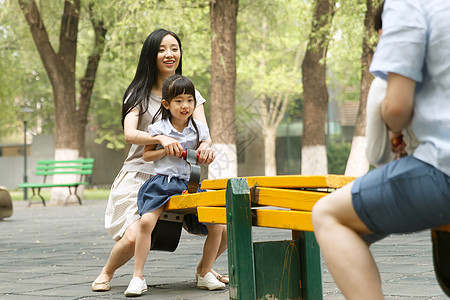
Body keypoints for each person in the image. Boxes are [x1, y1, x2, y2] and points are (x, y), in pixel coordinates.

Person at [312, 1, 450, 299]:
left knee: (328, 214)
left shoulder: (408, 5)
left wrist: (394, 124)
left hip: (444, 169)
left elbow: (398, 106)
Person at [92, 29, 228, 292]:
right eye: (162, 49)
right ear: (150, 55)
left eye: (174, 48)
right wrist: (163, 140)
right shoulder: (138, 93)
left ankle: (204, 269)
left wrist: (206, 148)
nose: (169, 54)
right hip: (139, 173)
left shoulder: (191, 93)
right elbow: (130, 134)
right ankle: (107, 272)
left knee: (224, 227)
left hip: (180, 174)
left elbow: (203, 136)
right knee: (133, 236)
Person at [124, 74, 226, 296]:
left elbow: (204, 147)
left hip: (190, 184)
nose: (185, 106)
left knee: (218, 225)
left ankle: (204, 272)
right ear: (166, 104)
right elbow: (148, 157)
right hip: (162, 184)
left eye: (189, 100)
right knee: (145, 223)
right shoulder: (158, 128)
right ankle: (137, 277)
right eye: (178, 101)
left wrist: (206, 152)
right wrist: (165, 149)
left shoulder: (198, 128)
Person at [365, 0, 419, 166]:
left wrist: (394, 131)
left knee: (351, 192)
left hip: (431, 173)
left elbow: (377, 156)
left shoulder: (384, 83)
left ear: (383, 35)